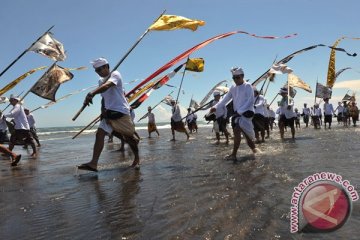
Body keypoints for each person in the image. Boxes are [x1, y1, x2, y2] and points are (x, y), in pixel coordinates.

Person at [77, 57, 140, 171]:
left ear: (106, 66)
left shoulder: (115, 74)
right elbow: (104, 98)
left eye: (100, 69)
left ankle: (136, 159)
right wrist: (102, 111)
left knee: (129, 138)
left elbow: (107, 86)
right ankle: (93, 163)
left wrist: (91, 93)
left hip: (121, 111)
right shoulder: (101, 81)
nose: (99, 72)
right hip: (109, 113)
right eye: (96, 71)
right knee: (99, 134)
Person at [211, 67, 258, 161]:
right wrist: (215, 107)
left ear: (242, 76)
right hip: (238, 114)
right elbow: (225, 99)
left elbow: (250, 101)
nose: (236, 80)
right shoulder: (232, 87)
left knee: (237, 130)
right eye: (234, 78)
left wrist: (240, 111)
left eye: (238, 77)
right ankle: (254, 149)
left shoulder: (248, 86)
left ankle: (234, 154)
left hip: (247, 112)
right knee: (244, 134)